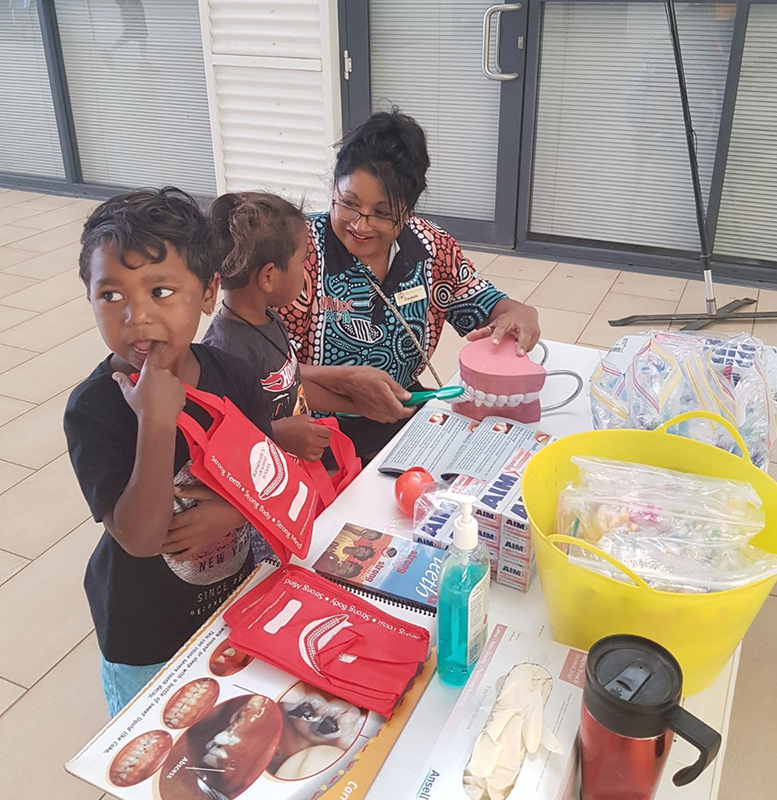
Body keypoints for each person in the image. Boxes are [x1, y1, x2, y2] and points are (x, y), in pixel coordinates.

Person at [64, 188, 274, 717]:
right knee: (158, 750)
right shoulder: (95, 408)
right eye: (111, 295)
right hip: (144, 637)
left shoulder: (235, 377)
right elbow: (138, 537)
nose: (136, 316)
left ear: (207, 294)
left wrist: (228, 511)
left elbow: (269, 478)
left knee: (229, 731)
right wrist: (155, 421)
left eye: (160, 291)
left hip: (233, 599)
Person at [279, 109, 541, 459]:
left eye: (383, 213)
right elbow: (255, 368)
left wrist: (521, 313)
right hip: (307, 431)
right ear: (334, 189)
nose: (361, 224)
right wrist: (346, 388)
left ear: (408, 210)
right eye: (349, 204)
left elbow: (491, 307)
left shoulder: (432, 249)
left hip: (402, 413)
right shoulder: (296, 251)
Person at [203, 192, 358, 464]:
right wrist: (276, 435)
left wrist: (355, 405)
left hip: (296, 469)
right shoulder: (223, 353)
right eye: (301, 262)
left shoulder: (269, 319)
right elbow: (219, 443)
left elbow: (290, 384)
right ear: (269, 277)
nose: (305, 272)